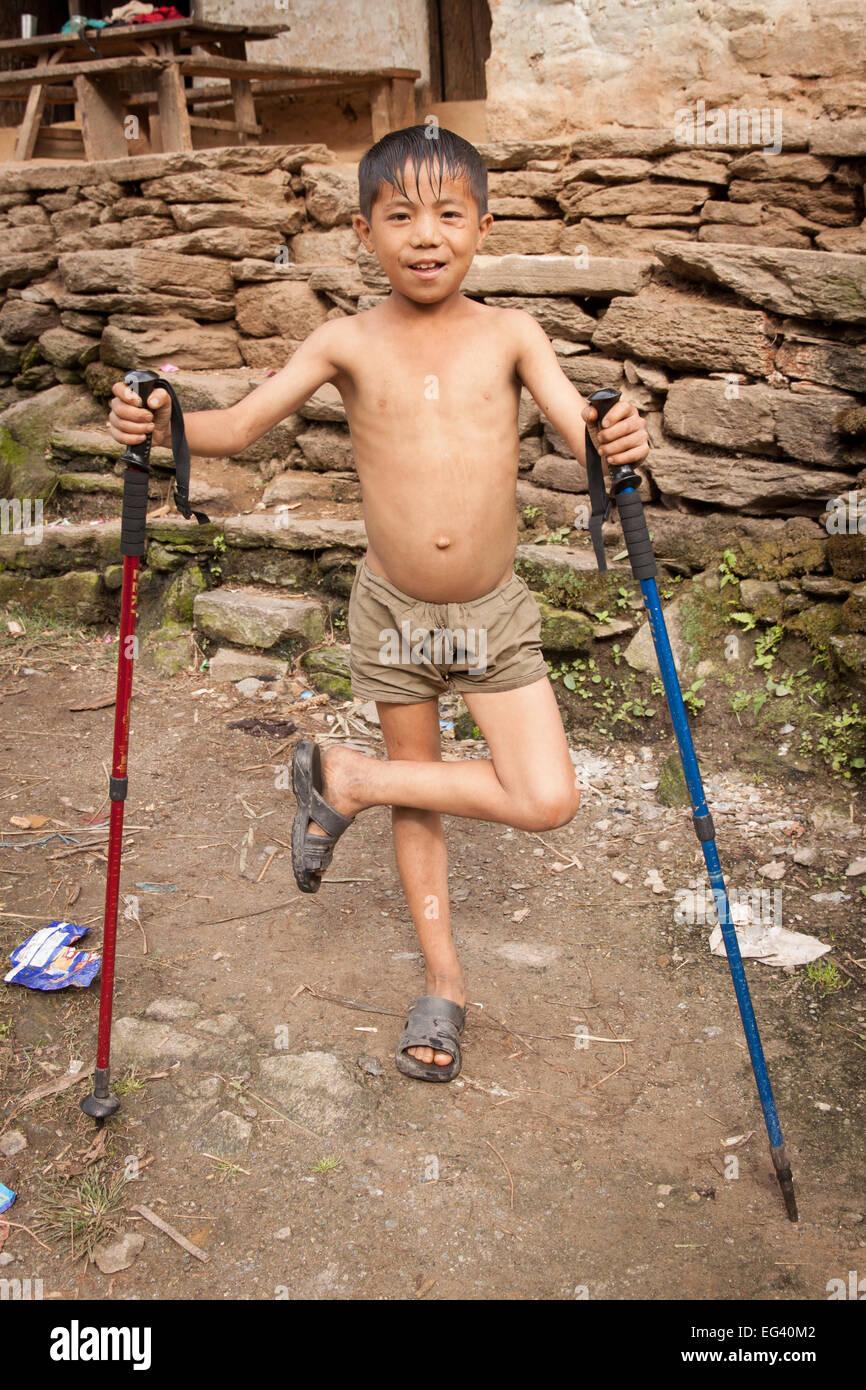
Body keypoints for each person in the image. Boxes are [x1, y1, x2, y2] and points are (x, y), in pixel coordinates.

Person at [108, 125, 650, 1084]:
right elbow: (235, 426)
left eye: (448, 213)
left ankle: (346, 781)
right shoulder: (346, 339)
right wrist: (161, 418)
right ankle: (442, 978)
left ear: (483, 224)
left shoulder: (512, 334)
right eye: (399, 216)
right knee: (424, 780)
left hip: (490, 612)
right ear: (364, 232)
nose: (425, 234)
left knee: (548, 797)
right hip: (395, 608)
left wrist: (616, 433)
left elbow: (582, 432)